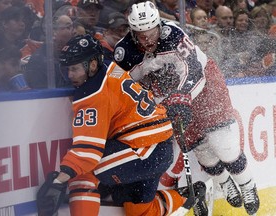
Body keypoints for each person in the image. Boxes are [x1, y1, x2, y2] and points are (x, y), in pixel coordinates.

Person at [113, 1, 260, 215]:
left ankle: (247, 184)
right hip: (171, 98)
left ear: (159, 26)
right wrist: (160, 102)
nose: (147, 39)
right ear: (132, 31)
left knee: (223, 143)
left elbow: (194, 70)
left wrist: (181, 98)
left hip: (205, 85)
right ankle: (224, 181)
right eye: (141, 34)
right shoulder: (124, 53)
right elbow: (125, 88)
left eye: (151, 32)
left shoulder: (173, 34)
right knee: (202, 150)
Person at [36, 34, 207, 216]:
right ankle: (189, 196)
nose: (70, 75)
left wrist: (59, 181)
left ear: (92, 64)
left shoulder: (94, 92)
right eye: (67, 70)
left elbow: (87, 152)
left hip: (143, 150)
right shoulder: (109, 68)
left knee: (83, 171)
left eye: (75, 69)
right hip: (157, 148)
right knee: (140, 211)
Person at [24, 14, 74, 88]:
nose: (74, 31)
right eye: (68, 27)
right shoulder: (38, 62)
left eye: (73, 27)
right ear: (53, 32)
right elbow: (43, 96)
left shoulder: (72, 54)